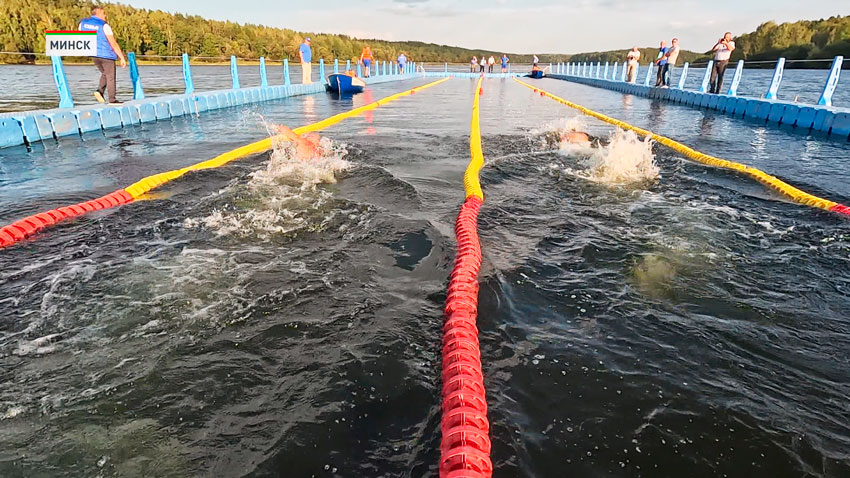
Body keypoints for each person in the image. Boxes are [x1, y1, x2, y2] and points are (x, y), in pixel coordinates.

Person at [79, 6, 126, 105]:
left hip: (94, 55)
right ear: (98, 13)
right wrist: (121, 57)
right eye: (103, 13)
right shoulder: (104, 26)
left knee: (105, 73)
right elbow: (113, 43)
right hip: (107, 55)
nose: (105, 16)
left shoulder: (83, 23)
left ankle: (99, 91)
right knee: (110, 77)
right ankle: (112, 100)